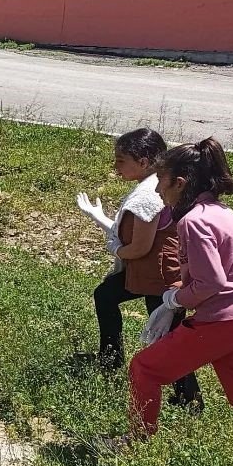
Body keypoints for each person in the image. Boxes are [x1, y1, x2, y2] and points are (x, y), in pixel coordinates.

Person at [102, 138, 233, 451]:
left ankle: (136, 442)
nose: (158, 190)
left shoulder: (194, 221)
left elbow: (211, 283)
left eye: (161, 181)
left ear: (180, 183)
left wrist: (174, 300)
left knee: (145, 368)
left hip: (219, 321)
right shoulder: (222, 211)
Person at [75, 129, 201, 411]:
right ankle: (110, 359)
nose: (115, 166)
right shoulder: (155, 184)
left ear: (143, 162)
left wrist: (115, 249)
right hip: (146, 272)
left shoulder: (148, 195)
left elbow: (140, 247)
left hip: (159, 276)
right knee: (106, 295)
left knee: (169, 335)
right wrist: (102, 220)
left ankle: (190, 400)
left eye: (121, 160)